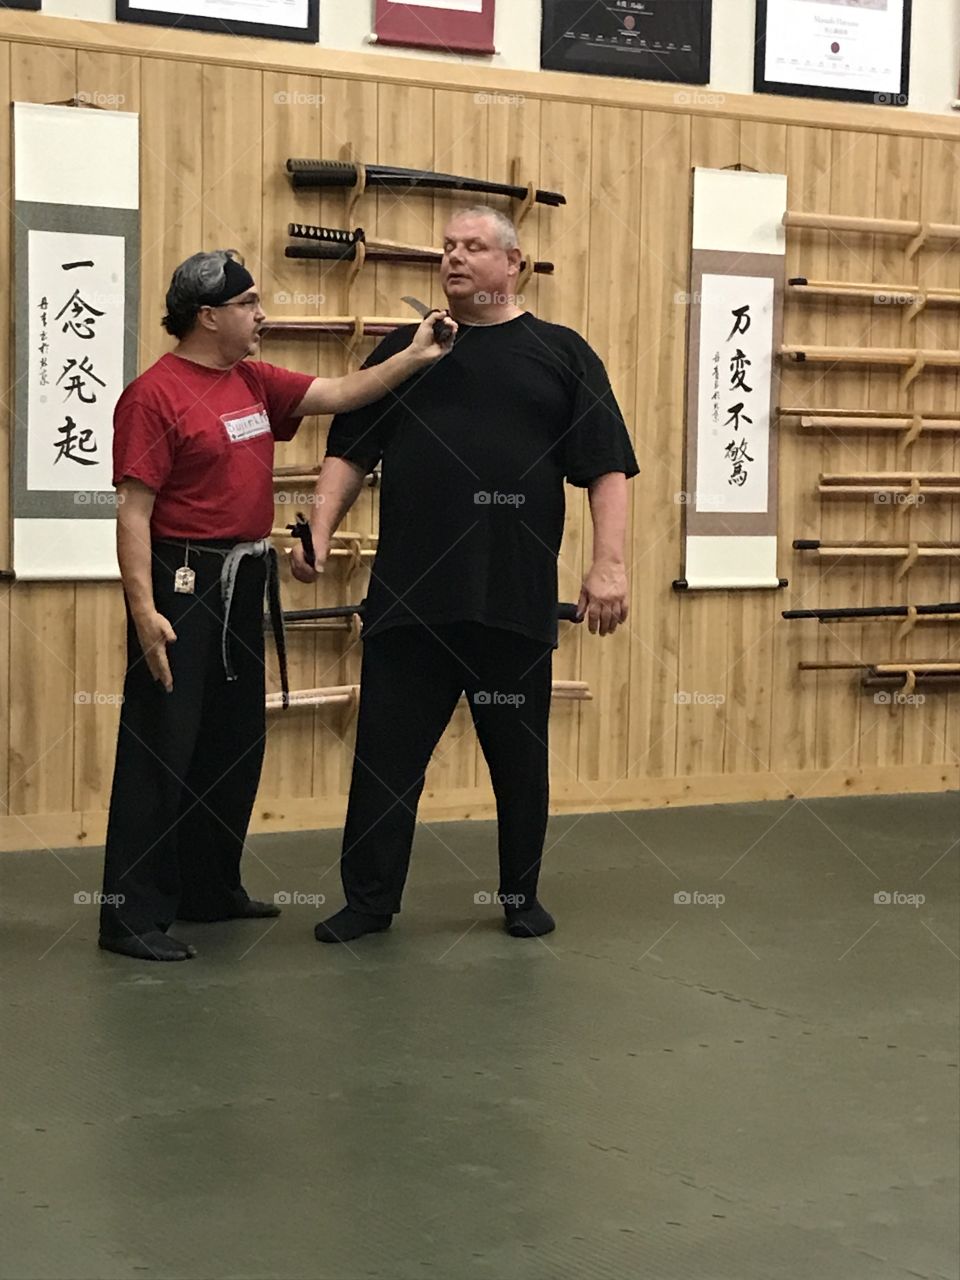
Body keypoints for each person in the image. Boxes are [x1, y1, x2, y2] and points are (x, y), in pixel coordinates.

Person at [292, 207, 638, 945]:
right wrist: (319, 526)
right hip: (412, 596)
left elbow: (607, 467)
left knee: (518, 758)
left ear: (513, 264)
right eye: (447, 247)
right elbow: (350, 450)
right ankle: (369, 902)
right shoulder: (406, 351)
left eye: (472, 247)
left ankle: (520, 896)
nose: (453, 258)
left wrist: (609, 564)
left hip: (512, 598)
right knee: (386, 758)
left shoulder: (562, 355)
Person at [98, 249, 454, 962]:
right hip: (183, 580)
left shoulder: (254, 381)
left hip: (243, 576)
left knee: (232, 743)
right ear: (209, 315)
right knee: (163, 743)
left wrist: (415, 356)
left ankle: (208, 888)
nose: (263, 314)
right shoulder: (154, 395)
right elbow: (133, 512)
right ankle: (130, 917)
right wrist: (144, 610)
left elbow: (346, 392)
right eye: (250, 303)